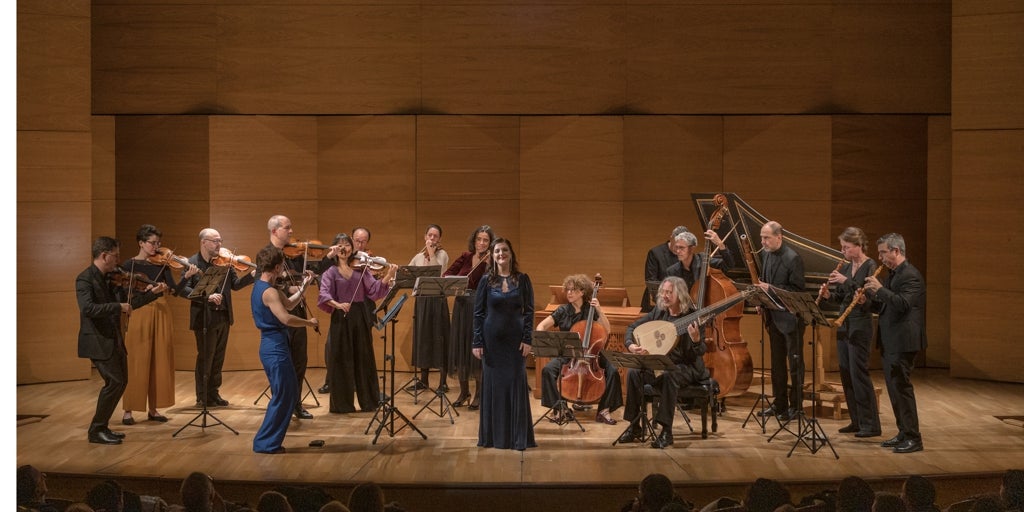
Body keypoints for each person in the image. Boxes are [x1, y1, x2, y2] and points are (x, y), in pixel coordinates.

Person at [77, 236, 167, 444]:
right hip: (97, 340)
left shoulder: (111, 278)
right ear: (104, 256)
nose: (119, 260)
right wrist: (118, 307)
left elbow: (130, 305)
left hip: (114, 338)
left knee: (121, 381)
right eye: (115, 256)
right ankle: (96, 430)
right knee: (115, 382)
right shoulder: (85, 279)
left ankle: (102, 427)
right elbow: (87, 309)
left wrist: (153, 294)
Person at [618, 276, 709, 449]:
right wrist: (631, 345)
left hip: (686, 367)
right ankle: (634, 426)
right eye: (663, 292)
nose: (664, 296)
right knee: (634, 373)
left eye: (669, 292)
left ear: (680, 294)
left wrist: (696, 340)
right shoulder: (659, 313)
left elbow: (699, 352)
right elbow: (632, 328)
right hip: (661, 364)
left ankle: (666, 431)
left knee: (669, 375)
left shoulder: (692, 317)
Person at [120, 224, 198, 425]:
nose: (156, 247)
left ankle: (153, 409)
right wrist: (146, 290)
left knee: (160, 360)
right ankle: (128, 410)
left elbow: (174, 291)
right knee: (136, 361)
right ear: (141, 243)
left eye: (158, 243)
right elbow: (124, 293)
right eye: (152, 243)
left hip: (162, 311)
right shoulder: (129, 265)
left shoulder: (162, 264)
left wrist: (186, 278)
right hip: (139, 312)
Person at [317, 233, 398, 413]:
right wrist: (338, 304)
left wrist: (389, 275)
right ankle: (342, 405)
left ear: (352, 248)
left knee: (364, 358)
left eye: (347, 244)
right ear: (335, 249)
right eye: (340, 245)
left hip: (360, 315)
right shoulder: (331, 272)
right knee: (341, 359)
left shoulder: (361, 270)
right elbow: (324, 294)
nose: (344, 248)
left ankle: (369, 401)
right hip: (341, 317)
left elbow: (374, 290)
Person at [251, 245, 319, 454]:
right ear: (277, 267)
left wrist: (305, 285)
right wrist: (309, 322)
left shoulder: (264, 287)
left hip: (275, 344)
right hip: (274, 346)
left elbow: (289, 304)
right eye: (282, 266)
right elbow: (286, 318)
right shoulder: (269, 291)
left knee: (286, 393)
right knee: (283, 395)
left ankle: (267, 442)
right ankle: (265, 443)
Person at [864, 232, 926, 454]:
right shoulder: (893, 274)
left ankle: (914, 438)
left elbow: (902, 304)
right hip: (891, 340)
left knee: (902, 389)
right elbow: (885, 306)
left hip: (904, 341)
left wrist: (879, 289)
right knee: (894, 390)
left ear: (896, 251)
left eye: (883, 252)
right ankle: (903, 432)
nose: (880, 257)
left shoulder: (911, 275)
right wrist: (867, 301)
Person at [472, 237, 536, 450]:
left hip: (516, 343)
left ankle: (517, 438)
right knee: (494, 386)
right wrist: (477, 341)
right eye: (497, 251)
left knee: (515, 384)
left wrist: (527, 338)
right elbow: (478, 313)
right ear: (492, 256)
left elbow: (529, 312)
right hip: (492, 343)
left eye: (505, 250)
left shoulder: (523, 280)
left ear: (511, 254)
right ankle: (493, 438)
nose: (501, 254)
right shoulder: (485, 281)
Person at [179, 228, 255, 408]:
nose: (219, 244)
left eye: (220, 241)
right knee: (206, 357)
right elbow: (183, 289)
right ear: (203, 242)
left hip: (223, 315)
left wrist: (251, 276)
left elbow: (235, 285)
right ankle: (202, 396)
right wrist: (207, 296)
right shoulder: (192, 263)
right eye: (215, 241)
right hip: (204, 317)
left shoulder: (225, 262)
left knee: (218, 358)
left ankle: (214, 393)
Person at [820, 226, 882, 437]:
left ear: (858, 246)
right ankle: (856, 421)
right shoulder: (846, 267)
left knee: (858, 374)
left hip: (860, 324)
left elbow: (868, 297)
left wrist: (846, 281)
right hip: (844, 323)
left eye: (846, 247)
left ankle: (870, 424)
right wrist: (828, 295)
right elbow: (841, 297)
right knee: (846, 373)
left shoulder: (870, 265)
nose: (843, 251)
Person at [536, 274, 621, 425]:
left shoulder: (591, 309)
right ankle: (560, 409)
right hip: (570, 355)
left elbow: (607, 330)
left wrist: (599, 310)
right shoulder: (562, 310)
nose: (569, 293)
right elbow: (541, 326)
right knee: (547, 370)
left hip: (592, 354)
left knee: (613, 371)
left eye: (573, 290)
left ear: (582, 292)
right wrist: (545, 340)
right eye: (567, 290)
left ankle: (604, 410)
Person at [754, 220, 806, 422]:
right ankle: (779, 403)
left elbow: (797, 290)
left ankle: (797, 407)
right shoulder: (766, 254)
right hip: (773, 317)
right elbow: (764, 282)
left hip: (791, 319)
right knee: (777, 364)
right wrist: (761, 301)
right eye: (762, 237)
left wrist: (771, 289)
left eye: (766, 238)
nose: (762, 241)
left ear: (779, 237)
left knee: (795, 364)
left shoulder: (793, 258)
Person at [266, 215, 316, 420]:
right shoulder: (267, 255)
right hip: (280, 316)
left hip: (298, 311)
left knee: (299, 361)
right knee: (283, 365)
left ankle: (296, 403)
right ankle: (282, 406)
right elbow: (268, 285)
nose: (291, 232)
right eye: (287, 228)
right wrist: (290, 288)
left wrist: (304, 283)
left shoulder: (292, 256)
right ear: (275, 231)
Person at [442, 225, 493, 409]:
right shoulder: (465, 256)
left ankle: (479, 394)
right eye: (479, 239)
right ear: (474, 241)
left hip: (480, 308)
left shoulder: (492, 261)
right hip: (462, 306)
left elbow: (494, 283)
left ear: (490, 243)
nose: (481, 243)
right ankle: (464, 392)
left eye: (485, 240)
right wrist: (456, 283)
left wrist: (490, 265)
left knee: (477, 350)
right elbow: (447, 275)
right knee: (461, 348)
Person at [406, 224, 451, 392]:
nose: (432, 238)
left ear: (439, 239)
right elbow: (408, 273)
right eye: (429, 235)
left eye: (435, 236)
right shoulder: (418, 256)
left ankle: (443, 382)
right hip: (422, 301)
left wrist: (431, 253)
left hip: (437, 301)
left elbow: (438, 273)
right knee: (423, 340)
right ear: (425, 237)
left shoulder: (442, 254)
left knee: (440, 339)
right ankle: (423, 380)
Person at [664, 229, 735, 287]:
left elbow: (729, 265)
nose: (678, 251)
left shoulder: (704, 261)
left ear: (692, 248)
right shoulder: (671, 272)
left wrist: (720, 244)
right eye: (677, 247)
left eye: (681, 248)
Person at [642, 226, 689, 312]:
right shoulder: (655, 253)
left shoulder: (686, 256)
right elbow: (651, 280)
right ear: (671, 237)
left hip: (678, 304)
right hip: (656, 302)